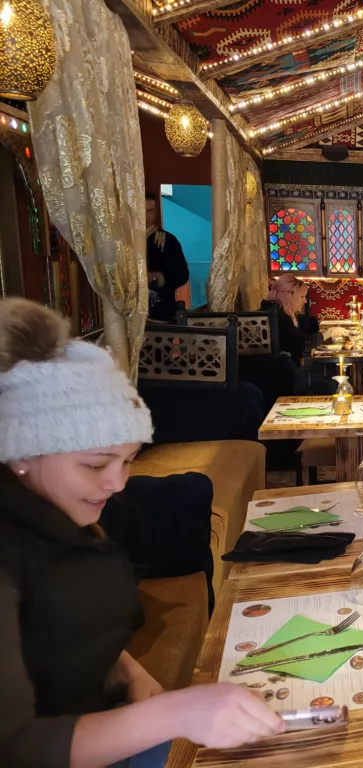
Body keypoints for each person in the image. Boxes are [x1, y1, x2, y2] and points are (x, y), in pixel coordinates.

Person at [0, 298, 285, 768]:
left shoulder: (58, 511)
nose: (117, 483)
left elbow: (71, 621)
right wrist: (170, 713)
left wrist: (127, 669)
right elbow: (14, 748)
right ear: (21, 450)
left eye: (128, 460)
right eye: (95, 464)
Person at [145, 193, 190, 323]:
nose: (146, 215)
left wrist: (156, 277)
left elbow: (182, 274)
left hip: (161, 313)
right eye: (142, 211)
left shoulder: (167, 240)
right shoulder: (126, 241)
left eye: (150, 211)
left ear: (156, 212)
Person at [262, 274, 318, 364]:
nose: (305, 301)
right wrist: (328, 333)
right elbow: (303, 342)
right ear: (289, 295)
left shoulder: (272, 310)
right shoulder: (279, 316)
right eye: (301, 296)